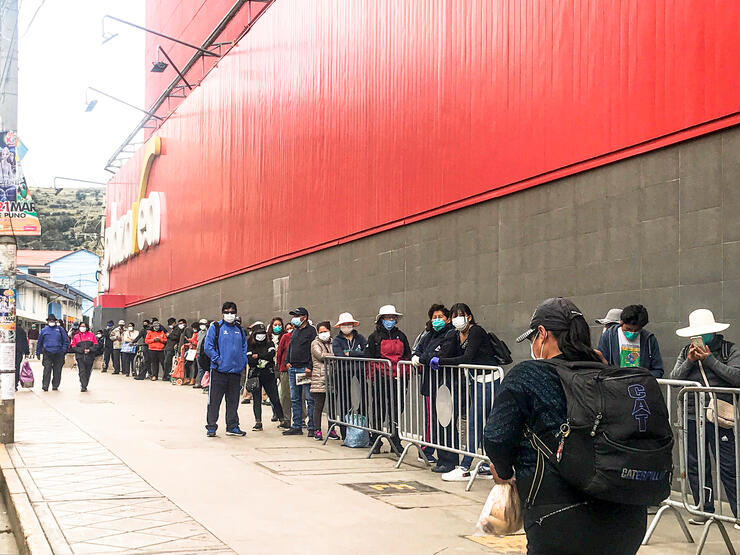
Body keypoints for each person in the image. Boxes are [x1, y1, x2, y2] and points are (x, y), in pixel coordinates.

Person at [484, 297, 647, 554]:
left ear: (542, 334)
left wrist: (503, 472)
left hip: (558, 517)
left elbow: (496, 437)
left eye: (532, 339)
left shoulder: (528, 375)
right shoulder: (608, 373)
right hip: (627, 516)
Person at [671, 309, 740, 524]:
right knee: (695, 465)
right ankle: (703, 508)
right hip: (692, 417)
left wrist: (709, 360)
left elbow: (736, 377)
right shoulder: (686, 352)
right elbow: (674, 379)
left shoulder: (730, 350)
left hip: (720, 417)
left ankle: (738, 513)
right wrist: (690, 361)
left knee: (729, 466)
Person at [432, 303, 501, 481]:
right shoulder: (457, 334)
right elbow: (451, 352)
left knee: (475, 423)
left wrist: (442, 362)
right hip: (476, 381)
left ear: (469, 317)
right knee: (481, 423)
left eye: (460, 315)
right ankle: (487, 464)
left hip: (489, 380)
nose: (457, 319)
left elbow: (467, 358)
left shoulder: (476, 332)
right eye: (453, 316)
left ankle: (465, 466)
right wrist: (438, 358)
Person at [364, 304, 411, 454]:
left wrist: (406, 372)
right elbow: (369, 357)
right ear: (381, 319)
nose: (390, 320)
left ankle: (395, 441)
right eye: (387, 317)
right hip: (380, 378)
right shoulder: (374, 337)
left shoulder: (401, 336)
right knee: (379, 409)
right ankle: (376, 439)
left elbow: (407, 355)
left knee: (397, 410)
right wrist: (371, 376)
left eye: (392, 317)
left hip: (398, 378)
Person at [411, 304, 453, 468]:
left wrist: (423, 358)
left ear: (447, 319)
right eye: (434, 317)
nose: (437, 320)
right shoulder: (428, 335)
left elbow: (437, 354)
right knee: (432, 419)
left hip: (445, 384)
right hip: (429, 383)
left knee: (443, 420)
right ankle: (428, 451)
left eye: (440, 317)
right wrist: (418, 356)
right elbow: (419, 351)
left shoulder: (450, 334)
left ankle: (445, 456)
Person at [204, 302, 248, 437]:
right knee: (214, 401)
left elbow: (243, 347)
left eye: (232, 312)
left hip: (235, 372)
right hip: (219, 372)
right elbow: (208, 346)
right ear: (222, 313)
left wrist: (242, 362)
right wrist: (217, 359)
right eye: (227, 312)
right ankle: (211, 427)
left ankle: (232, 426)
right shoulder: (216, 327)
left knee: (233, 401)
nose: (230, 314)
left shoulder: (239, 329)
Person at [597, 304, 664, 377]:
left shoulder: (649, 339)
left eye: (637, 330)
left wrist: (643, 378)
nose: (632, 332)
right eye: (628, 329)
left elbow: (658, 370)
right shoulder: (608, 337)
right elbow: (601, 367)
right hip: (615, 385)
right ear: (621, 322)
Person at [331, 312, 367, 439]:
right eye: (344, 324)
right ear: (340, 326)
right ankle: (345, 433)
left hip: (360, 372)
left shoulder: (360, 338)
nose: (347, 326)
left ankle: (363, 432)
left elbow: (366, 353)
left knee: (363, 401)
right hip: (343, 374)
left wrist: (350, 353)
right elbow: (339, 355)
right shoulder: (337, 340)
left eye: (349, 324)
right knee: (345, 401)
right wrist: (356, 353)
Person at [283, 307, 317, 436]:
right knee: (295, 398)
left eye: (298, 316)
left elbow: (313, 350)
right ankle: (296, 425)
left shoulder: (311, 331)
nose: (295, 318)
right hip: (293, 368)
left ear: (305, 317)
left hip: (304, 369)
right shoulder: (295, 331)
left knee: (309, 398)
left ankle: (312, 427)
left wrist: (310, 366)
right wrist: (287, 361)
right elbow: (290, 347)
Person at [247, 323, 285, 430]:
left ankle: (282, 419)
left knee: (274, 398)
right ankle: (258, 422)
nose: (261, 335)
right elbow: (250, 360)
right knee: (256, 399)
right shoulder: (250, 344)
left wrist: (258, 356)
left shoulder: (269, 343)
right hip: (255, 374)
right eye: (258, 333)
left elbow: (271, 354)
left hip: (268, 374)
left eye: (263, 333)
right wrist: (261, 358)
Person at [310, 321, 339, 441]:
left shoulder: (334, 342)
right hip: (319, 377)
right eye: (321, 332)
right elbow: (321, 355)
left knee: (332, 406)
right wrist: (335, 355)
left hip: (332, 377)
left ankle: (331, 429)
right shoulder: (315, 343)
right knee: (319, 405)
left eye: (325, 331)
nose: (323, 334)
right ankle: (317, 430)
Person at [37, 314, 69, 391]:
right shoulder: (44, 330)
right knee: (47, 369)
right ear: (48, 321)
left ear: (55, 321)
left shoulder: (60, 329)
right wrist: (38, 352)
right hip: (47, 353)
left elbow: (66, 341)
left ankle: (55, 385)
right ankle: (45, 385)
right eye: (50, 320)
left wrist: (63, 350)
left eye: (53, 320)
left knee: (57, 370)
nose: (51, 322)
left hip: (58, 353)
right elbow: (39, 342)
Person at [275, 322, 294, 428]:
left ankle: (301, 419)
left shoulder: (303, 336)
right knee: (286, 395)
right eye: (288, 328)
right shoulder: (285, 337)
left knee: (300, 396)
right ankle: (286, 419)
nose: (291, 329)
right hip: (285, 370)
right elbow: (279, 353)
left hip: (299, 369)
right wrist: (281, 366)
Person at [70, 323, 99, 392]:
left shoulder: (91, 335)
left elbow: (96, 345)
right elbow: (73, 346)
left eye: (84, 326)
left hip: (90, 357)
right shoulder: (76, 336)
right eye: (81, 326)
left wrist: (90, 350)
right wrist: (82, 350)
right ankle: (83, 385)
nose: (82, 328)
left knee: (88, 372)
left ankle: (85, 384)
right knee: (82, 371)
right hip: (80, 357)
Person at [195, 318, 209, 388]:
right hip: (198, 352)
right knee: (200, 368)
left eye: (203, 324)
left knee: (205, 369)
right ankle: (201, 382)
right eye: (200, 324)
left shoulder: (208, 332)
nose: (202, 326)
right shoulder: (199, 333)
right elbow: (198, 342)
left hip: (205, 353)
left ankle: (205, 384)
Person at [15, 322, 28, 389]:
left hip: (7, 351)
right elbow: (24, 341)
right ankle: (15, 383)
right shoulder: (21, 330)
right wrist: (26, 352)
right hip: (18, 352)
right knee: (17, 367)